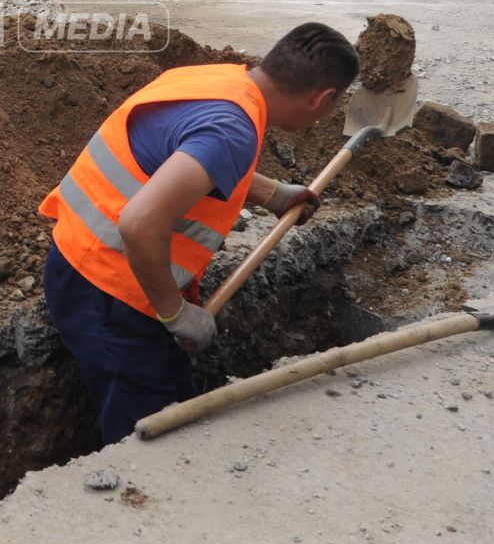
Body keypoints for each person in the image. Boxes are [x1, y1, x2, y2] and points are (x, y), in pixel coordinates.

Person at [38, 23, 358, 444]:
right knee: (145, 434)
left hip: (83, 258)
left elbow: (183, 153)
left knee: (177, 403)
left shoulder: (219, 80)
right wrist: (175, 312)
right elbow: (139, 223)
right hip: (111, 290)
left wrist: (271, 194)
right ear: (323, 99)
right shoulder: (232, 130)